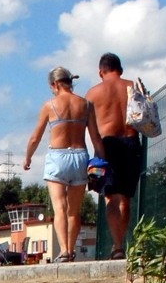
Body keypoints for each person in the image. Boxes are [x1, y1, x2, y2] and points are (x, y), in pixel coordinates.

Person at [23, 66, 105, 262]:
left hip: (57, 156)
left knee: (59, 207)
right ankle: (71, 248)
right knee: (73, 211)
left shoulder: (49, 105)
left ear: (55, 84)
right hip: (80, 156)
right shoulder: (85, 105)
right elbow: (95, 137)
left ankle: (64, 252)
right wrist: (100, 165)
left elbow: (35, 137)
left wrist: (28, 157)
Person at [85, 52, 143, 259]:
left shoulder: (92, 93)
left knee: (110, 197)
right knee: (124, 197)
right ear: (121, 70)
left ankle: (116, 246)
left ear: (101, 72)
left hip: (106, 145)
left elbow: (87, 127)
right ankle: (121, 243)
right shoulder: (133, 88)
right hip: (131, 141)